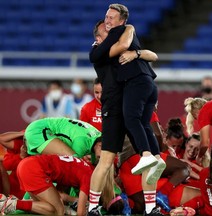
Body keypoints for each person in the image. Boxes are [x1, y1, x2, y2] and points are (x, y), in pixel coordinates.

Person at [88, 5, 164, 215]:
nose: (111, 28)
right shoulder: (99, 51)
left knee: (147, 157)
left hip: (130, 102)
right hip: (113, 108)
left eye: (112, 22)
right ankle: (93, 206)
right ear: (99, 37)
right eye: (107, 28)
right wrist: (129, 29)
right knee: (105, 160)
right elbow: (122, 45)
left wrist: (136, 51)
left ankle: (151, 207)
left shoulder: (122, 42)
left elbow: (152, 55)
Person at [1, 155, 93, 215]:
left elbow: (60, 194)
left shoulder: (84, 166)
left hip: (27, 164)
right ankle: (11, 203)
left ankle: (15, 203)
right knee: (58, 212)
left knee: (46, 207)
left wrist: (74, 201)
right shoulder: (89, 175)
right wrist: (81, 202)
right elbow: (81, 214)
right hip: (34, 169)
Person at [24, 117, 101, 158]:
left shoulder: (98, 137)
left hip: (41, 126)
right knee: (73, 160)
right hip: (39, 130)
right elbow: (74, 167)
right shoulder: (82, 141)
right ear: (100, 145)